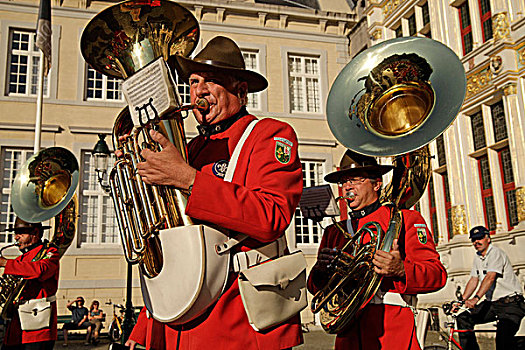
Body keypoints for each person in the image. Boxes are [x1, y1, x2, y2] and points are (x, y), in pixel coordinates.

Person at [124, 36, 304, 349]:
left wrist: (189, 179)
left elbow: (272, 216)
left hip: (240, 319)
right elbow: (165, 237)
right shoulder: (187, 149)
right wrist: (147, 323)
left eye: (213, 81)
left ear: (242, 91)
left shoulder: (269, 135)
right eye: (193, 82)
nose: (199, 91)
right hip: (178, 316)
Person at [307, 150, 447, 350]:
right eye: (344, 181)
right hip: (349, 334)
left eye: (355, 180)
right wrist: (321, 270)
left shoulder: (405, 219)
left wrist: (400, 270)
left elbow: (437, 275)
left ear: (377, 183)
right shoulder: (334, 231)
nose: (348, 186)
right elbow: (315, 288)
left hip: (392, 330)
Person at [455, 226, 525, 350]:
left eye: (480, 238)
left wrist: (475, 299)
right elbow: (474, 280)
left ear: (488, 238)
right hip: (493, 305)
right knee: (463, 318)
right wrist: (461, 301)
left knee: (503, 342)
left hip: (511, 304)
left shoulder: (496, 253)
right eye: (474, 240)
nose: (476, 242)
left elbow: (490, 278)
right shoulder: (478, 256)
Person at [0, 217, 59, 350]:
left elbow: (40, 270)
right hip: (16, 328)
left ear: (35, 233)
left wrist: (5, 263)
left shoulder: (50, 253)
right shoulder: (20, 259)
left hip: (38, 327)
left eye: (20, 233)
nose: (16, 238)